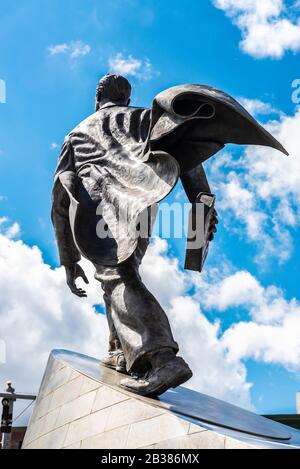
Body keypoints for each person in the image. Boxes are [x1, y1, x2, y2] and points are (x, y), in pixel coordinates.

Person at [52, 73, 286, 396]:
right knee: (121, 273)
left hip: (101, 206)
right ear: (125, 98)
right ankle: (123, 350)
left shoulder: (76, 135)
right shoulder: (141, 119)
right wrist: (201, 202)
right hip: (144, 201)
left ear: (97, 98)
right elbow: (179, 150)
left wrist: (68, 259)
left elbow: (60, 198)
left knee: (118, 276)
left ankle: (161, 356)